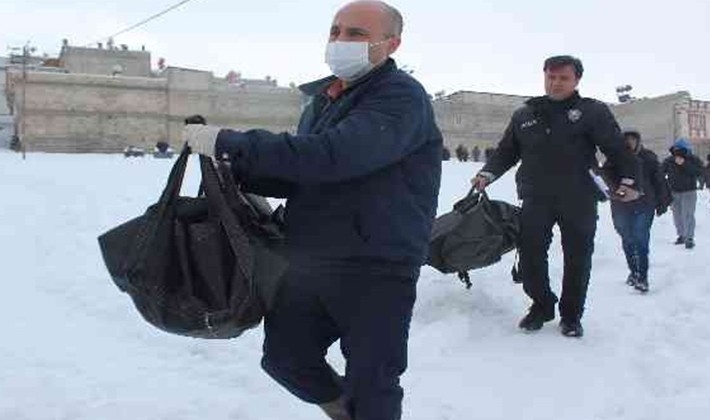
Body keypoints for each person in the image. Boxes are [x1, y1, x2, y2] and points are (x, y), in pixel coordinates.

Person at [183, 2, 442, 419]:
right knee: (286, 359)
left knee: (373, 382)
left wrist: (230, 142)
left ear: (392, 43)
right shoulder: (324, 101)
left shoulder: (401, 96)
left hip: (376, 265)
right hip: (310, 259)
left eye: (355, 33)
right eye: (336, 31)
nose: (341, 40)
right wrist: (230, 167)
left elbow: (334, 156)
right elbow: (304, 175)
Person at [471, 55, 640, 338]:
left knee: (578, 258)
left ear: (576, 81)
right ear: (544, 77)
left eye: (563, 78)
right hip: (537, 196)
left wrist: (629, 180)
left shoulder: (592, 112)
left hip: (580, 198)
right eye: (551, 77)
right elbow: (506, 152)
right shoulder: (525, 114)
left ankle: (571, 316)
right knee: (530, 256)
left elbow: (616, 148)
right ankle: (542, 305)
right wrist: (487, 174)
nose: (556, 83)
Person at [604, 130, 671, 293]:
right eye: (626, 140)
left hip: (644, 205)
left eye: (633, 140)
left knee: (641, 238)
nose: (630, 143)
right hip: (621, 205)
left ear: (638, 141)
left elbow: (659, 180)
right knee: (627, 238)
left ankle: (643, 277)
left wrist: (663, 201)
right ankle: (634, 271)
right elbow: (605, 178)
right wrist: (614, 189)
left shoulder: (648, 157)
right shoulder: (614, 159)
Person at [661, 138, 704, 249]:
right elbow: (660, 172)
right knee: (677, 216)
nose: (678, 152)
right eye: (676, 149)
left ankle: (689, 238)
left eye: (680, 149)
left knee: (688, 214)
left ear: (686, 150)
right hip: (674, 192)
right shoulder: (669, 160)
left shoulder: (693, 159)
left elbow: (699, 172)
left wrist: (684, 164)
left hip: (689, 192)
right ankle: (681, 235)